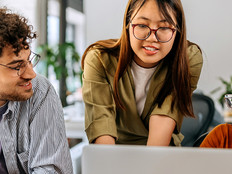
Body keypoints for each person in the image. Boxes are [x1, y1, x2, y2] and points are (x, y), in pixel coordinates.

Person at [82, 0, 203, 146]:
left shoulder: (188, 58)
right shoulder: (99, 59)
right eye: (141, 25)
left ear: (177, 30)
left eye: (164, 27)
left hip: (160, 158)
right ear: (128, 24)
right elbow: (101, 127)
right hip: (114, 158)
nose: (152, 38)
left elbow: (162, 126)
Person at [0, 8, 73, 173]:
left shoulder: (40, 90)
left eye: (29, 60)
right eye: (17, 66)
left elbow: (51, 170)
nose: (31, 74)